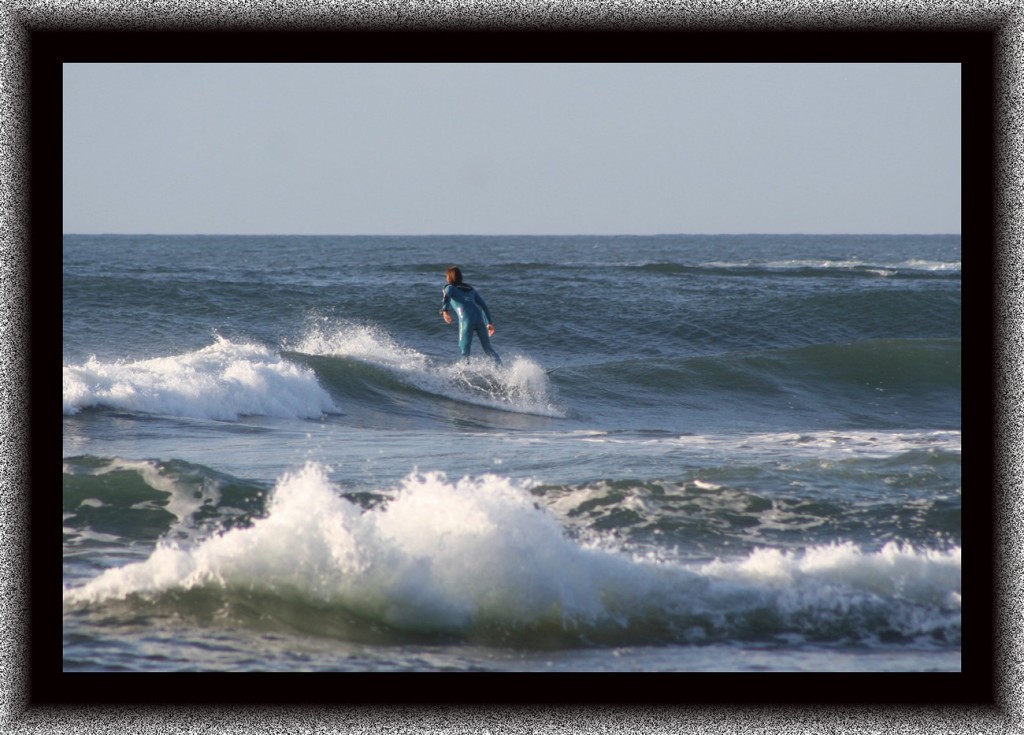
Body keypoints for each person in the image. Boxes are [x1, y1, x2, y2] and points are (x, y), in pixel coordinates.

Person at [440, 266, 501, 364]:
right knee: (488, 349)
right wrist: (489, 323)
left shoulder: (449, 287)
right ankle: (501, 370)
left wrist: (444, 311)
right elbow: (484, 306)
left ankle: (464, 373)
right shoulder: (470, 289)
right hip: (479, 319)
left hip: (466, 320)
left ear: (449, 277)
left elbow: (447, 298)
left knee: (464, 350)